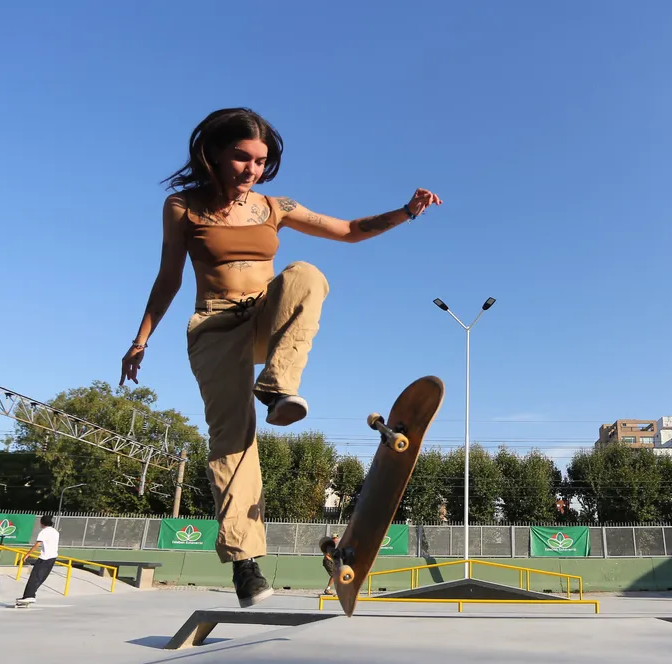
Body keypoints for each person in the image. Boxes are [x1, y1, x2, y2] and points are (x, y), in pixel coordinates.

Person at [119, 108, 441, 607]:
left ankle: (276, 384)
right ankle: (246, 566)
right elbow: (169, 279)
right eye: (241, 158)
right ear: (214, 156)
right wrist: (141, 340)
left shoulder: (276, 205)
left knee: (307, 274)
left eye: (261, 161)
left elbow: (350, 229)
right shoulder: (182, 207)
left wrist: (407, 211)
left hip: (263, 315)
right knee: (232, 438)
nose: (251, 170)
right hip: (213, 325)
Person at [19, 514, 60, 604]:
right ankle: (31, 595)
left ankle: (29, 596)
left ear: (42, 522)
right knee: (41, 577)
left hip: (45, 558)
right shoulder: (55, 532)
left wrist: (27, 554)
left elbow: (37, 544)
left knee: (34, 576)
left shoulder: (44, 532)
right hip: (53, 558)